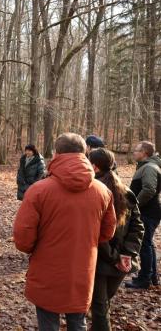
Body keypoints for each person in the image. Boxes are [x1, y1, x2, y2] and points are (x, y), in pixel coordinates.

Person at [13, 133, 116, 331]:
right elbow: (107, 233)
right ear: (85, 152)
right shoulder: (102, 191)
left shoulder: (38, 190)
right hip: (82, 268)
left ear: (56, 153)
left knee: (48, 324)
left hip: (46, 269)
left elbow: (23, 239)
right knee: (78, 323)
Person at [89, 148, 144, 331]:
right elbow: (137, 227)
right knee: (101, 305)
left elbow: (97, 233)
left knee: (100, 307)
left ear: (94, 167)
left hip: (103, 261)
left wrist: (122, 255)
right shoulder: (125, 190)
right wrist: (125, 255)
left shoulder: (95, 193)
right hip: (117, 261)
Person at [125, 141, 161, 289]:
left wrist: (135, 205)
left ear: (144, 152)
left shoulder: (150, 167)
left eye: (136, 150)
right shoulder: (147, 166)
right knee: (148, 244)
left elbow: (149, 189)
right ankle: (151, 276)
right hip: (149, 211)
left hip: (148, 212)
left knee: (144, 245)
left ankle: (144, 279)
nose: (134, 152)